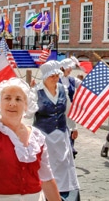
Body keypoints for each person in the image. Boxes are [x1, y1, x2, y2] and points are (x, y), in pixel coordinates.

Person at [33, 61, 80, 200]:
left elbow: (68, 110)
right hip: (44, 136)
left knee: (64, 164)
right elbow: (29, 114)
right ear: (45, 77)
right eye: (51, 76)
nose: (55, 78)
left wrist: (73, 127)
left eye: (56, 75)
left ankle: (64, 193)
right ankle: (47, 193)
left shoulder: (62, 89)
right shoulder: (36, 92)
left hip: (61, 134)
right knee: (47, 165)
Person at [59, 57, 81, 158]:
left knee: (72, 128)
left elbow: (84, 86)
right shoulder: (55, 78)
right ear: (62, 67)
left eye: (71, 68)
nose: (71, 70)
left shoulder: (72, 80)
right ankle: (65, 149)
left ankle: (71, 148)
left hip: (70, 109)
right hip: (58, 110)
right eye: (69, 67)